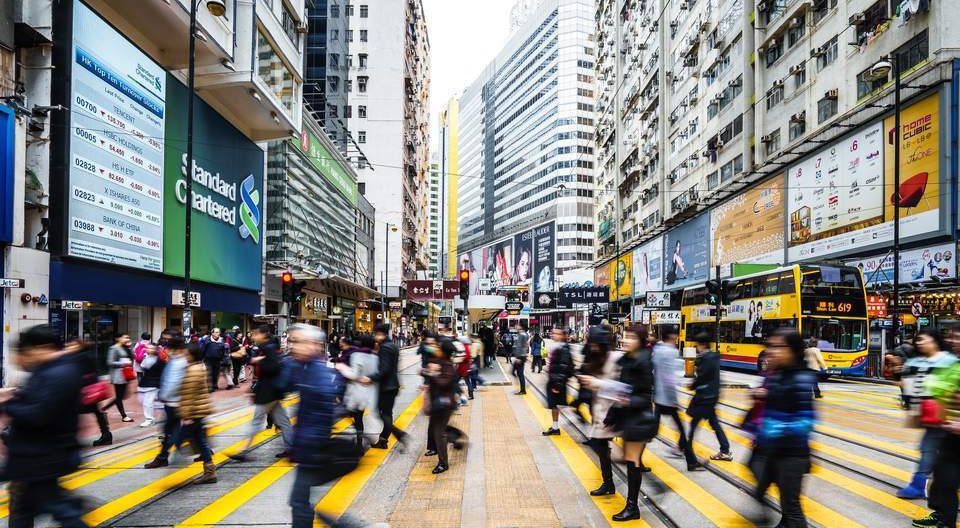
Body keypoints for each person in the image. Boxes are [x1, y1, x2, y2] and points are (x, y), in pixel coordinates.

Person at [1, 325, 89, 528]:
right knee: (25, 509)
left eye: (26, 352)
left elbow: (39, 414)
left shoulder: (58, 373)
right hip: (36, 456)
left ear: (45, 347)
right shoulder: (50, 370)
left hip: (42, 456)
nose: (22, 359)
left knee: (61, 511)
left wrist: (9, 405)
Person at [285, 324, 352, 528]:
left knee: (299, 502)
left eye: (298, 342)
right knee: (300, 501)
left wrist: (306, 447)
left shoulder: (318, 373)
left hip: (312, 450)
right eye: (292, 341)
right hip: (308, 448)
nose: (293, 346)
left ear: (314, 345)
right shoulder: (306, 368)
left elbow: (325, 414)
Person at [750, 329, 817, 528]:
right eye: (770, 346)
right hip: (773, 451)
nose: (771, 351)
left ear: (794, 351)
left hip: (792, 455)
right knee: (762, 493)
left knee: (791, 507)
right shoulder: (776, 376)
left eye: (779, 347)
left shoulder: (801, 379)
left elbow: (806, 421)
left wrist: (773, 429)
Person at [897, 329, 956, 499]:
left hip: (943, 414)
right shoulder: (917, 361)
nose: (920, 343)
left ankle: (919, 484)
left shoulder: (948, 361)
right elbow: (907, 384)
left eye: (924, 339)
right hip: (928, 415)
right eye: (918, 341)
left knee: (928, 448)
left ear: (935, 341)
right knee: (931, 448)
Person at [608, 325, 658, 522]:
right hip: (629, 419)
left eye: (631, 337)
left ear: (640, 340)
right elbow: (621, 389)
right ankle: (633, 505)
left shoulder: (643, 362)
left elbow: (646, 396)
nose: (625, 340)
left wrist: (627, 401)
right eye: (625, 336)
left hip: (639, 420)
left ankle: (632, 507)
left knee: (632, 463)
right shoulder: (628, 360)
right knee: (630, 461)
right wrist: (613, 413)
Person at [230, 325, 295, 461]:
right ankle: (292, 449)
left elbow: (274, 367)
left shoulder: (268, 348)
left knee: (256, 422)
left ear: (264, 334)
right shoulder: (267, 347)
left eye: (256, 334)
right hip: (272, 392)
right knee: (283, 422)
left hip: (268, 393)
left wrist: (258, 361)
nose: (253, 336)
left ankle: (243, 450)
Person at [914, 346, 960, 528]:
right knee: (942, 474)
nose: (953, 341)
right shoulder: (952, 364)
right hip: (949, 430)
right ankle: (943, 516)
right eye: (952, 337)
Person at [576, 326, 622, 497]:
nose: (593, 348)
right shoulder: (596, 359)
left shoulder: (616, 359)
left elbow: (623, 388)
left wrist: (595, 383)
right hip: (600, 412)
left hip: (615, 412)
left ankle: (650, 486)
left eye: (596, 344)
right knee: (599, 447)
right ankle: (608, 483)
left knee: (628, 457)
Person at [686, 332, 733, 468]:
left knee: (693, 427)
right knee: (714, 424)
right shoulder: (714, 357)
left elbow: (701, 378)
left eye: (697, 345)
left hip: (705, 398)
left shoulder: (705, 359)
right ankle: (725, 450)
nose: (696, 348)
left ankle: (688, 455)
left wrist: (692, 385)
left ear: (701, 345)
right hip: (711, 397)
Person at [145, 331, 189, 469]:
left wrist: (164, 395)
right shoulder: (178, 361)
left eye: (168, 348)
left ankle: (164, 456)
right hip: (176, 401)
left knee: (171, 430)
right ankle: (205, 455)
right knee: (174, 429)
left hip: (174, 402)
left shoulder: (178, 362)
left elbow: (173, 382)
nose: (166, 351)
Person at [652, 327, 695, 465]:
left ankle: (691, 460)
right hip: (668, 399)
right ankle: (691, 461)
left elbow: (655, 373)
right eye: (675, 336)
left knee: (652, 429)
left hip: (658, 397)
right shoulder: (671, 352)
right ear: (671, 337)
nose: (677, 339)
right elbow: (669, 378)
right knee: (682, 430)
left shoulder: (657, 351)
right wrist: (674, 400)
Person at [422, 337, 464, 474]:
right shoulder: (440, 361)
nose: (435, 349)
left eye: (438, 347)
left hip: (445, 404)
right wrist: (427, 371)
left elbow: (444, 383)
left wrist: (433, 373)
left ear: (444, 351)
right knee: (436, 430)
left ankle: (443, 463)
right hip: (438, 402)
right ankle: (455, 439)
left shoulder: (447, 365)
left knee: (439, 433)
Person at [179, 343, 217, 484]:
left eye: (186, 354)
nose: (184, 356)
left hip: (194, 412)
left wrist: (186, 415)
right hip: (198, 410)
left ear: (192, 355)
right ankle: (209, 471)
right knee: (200, 440)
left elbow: (189, 395)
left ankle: (172, 467)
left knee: (177, 440)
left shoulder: (193, 370)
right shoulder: (198, 367)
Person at [336, 334, 379, 447]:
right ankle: (362, 439)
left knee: (354, 417)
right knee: (359, 418)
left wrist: (342, 368)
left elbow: (354, 374)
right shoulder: (376, 357)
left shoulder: (357, 355)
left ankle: (360, 441)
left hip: (356, 393)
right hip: (369, 393)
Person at [69, 338, 113, 446]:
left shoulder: (79, 357)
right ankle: (106, 435)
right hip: (90, 391)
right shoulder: (88, 355)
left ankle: (71, 438)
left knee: (72, 413)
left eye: (72, 345)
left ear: (79, 346)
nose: (69, 348)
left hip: (85, 391)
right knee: (96, 412)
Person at [371, 324, 408, 449]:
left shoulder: (385, 348)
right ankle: (383, 440)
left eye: (375, 334)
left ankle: (399, 434)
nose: (375, 337)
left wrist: (371, 378)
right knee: (386, 413)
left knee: (381, 413)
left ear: (381, 334)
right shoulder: (392, 345)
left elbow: (385, 369)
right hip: (393, 385)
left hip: (386, 386)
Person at [542, 327, 574, 436]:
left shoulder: (563, 348)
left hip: (557, 383)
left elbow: (564, 367)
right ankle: (555, 427)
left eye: (557, 333)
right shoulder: (557, 347)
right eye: (553, 333)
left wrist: (558, 385)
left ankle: (559, 426)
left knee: (557, 405)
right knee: (554, 406)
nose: (554, 335)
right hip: (554, 381)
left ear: (563, 336)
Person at [101, 333, 134, 422]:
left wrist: (129, 348)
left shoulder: (125, 348)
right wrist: (123, 363)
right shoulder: (113, 348)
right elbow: (110, 362)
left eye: (128, 337)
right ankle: (124, 416)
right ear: (118, 338)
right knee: (119, 397)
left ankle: (103, 409)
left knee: (122, 396)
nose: (127, 339)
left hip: (125, 375)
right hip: (118, 376)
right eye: (125, 337)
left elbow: (131, 358)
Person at [136, 343, 165, 428]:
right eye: (147, 348)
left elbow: (163, 372)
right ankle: (166, 409)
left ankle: (149, 419)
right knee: (143, 400)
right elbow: (142, 366)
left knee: (147, 402)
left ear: (155, 350)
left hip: (154, 384)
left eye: (150, 348)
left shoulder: (160, 361)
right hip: (145, 383)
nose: (148, 349)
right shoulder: (146, 358)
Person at [201, 328, 232, 392]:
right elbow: (203, 350)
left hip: (217, 360)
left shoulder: (221, 341)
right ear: (212, 333)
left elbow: (224, 350)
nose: (218, 333)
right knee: (209, 373)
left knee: (215, 373)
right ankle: (210, 387)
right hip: (208, 360)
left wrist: (222, 358)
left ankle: (214, 385)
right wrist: (202, 358)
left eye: (218, 332)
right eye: (217, 332)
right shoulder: (207, 340)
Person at [511, 323, 529, 395]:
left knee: (520, 374)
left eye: (517, 325)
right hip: (521, 356)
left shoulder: (521, 335)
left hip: (521, 357)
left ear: (520, 326)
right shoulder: (524, 334)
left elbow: (520, 347)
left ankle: (523, 389)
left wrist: (518, 357)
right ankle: (522, 386)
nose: (515, 327)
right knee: (515, 372)